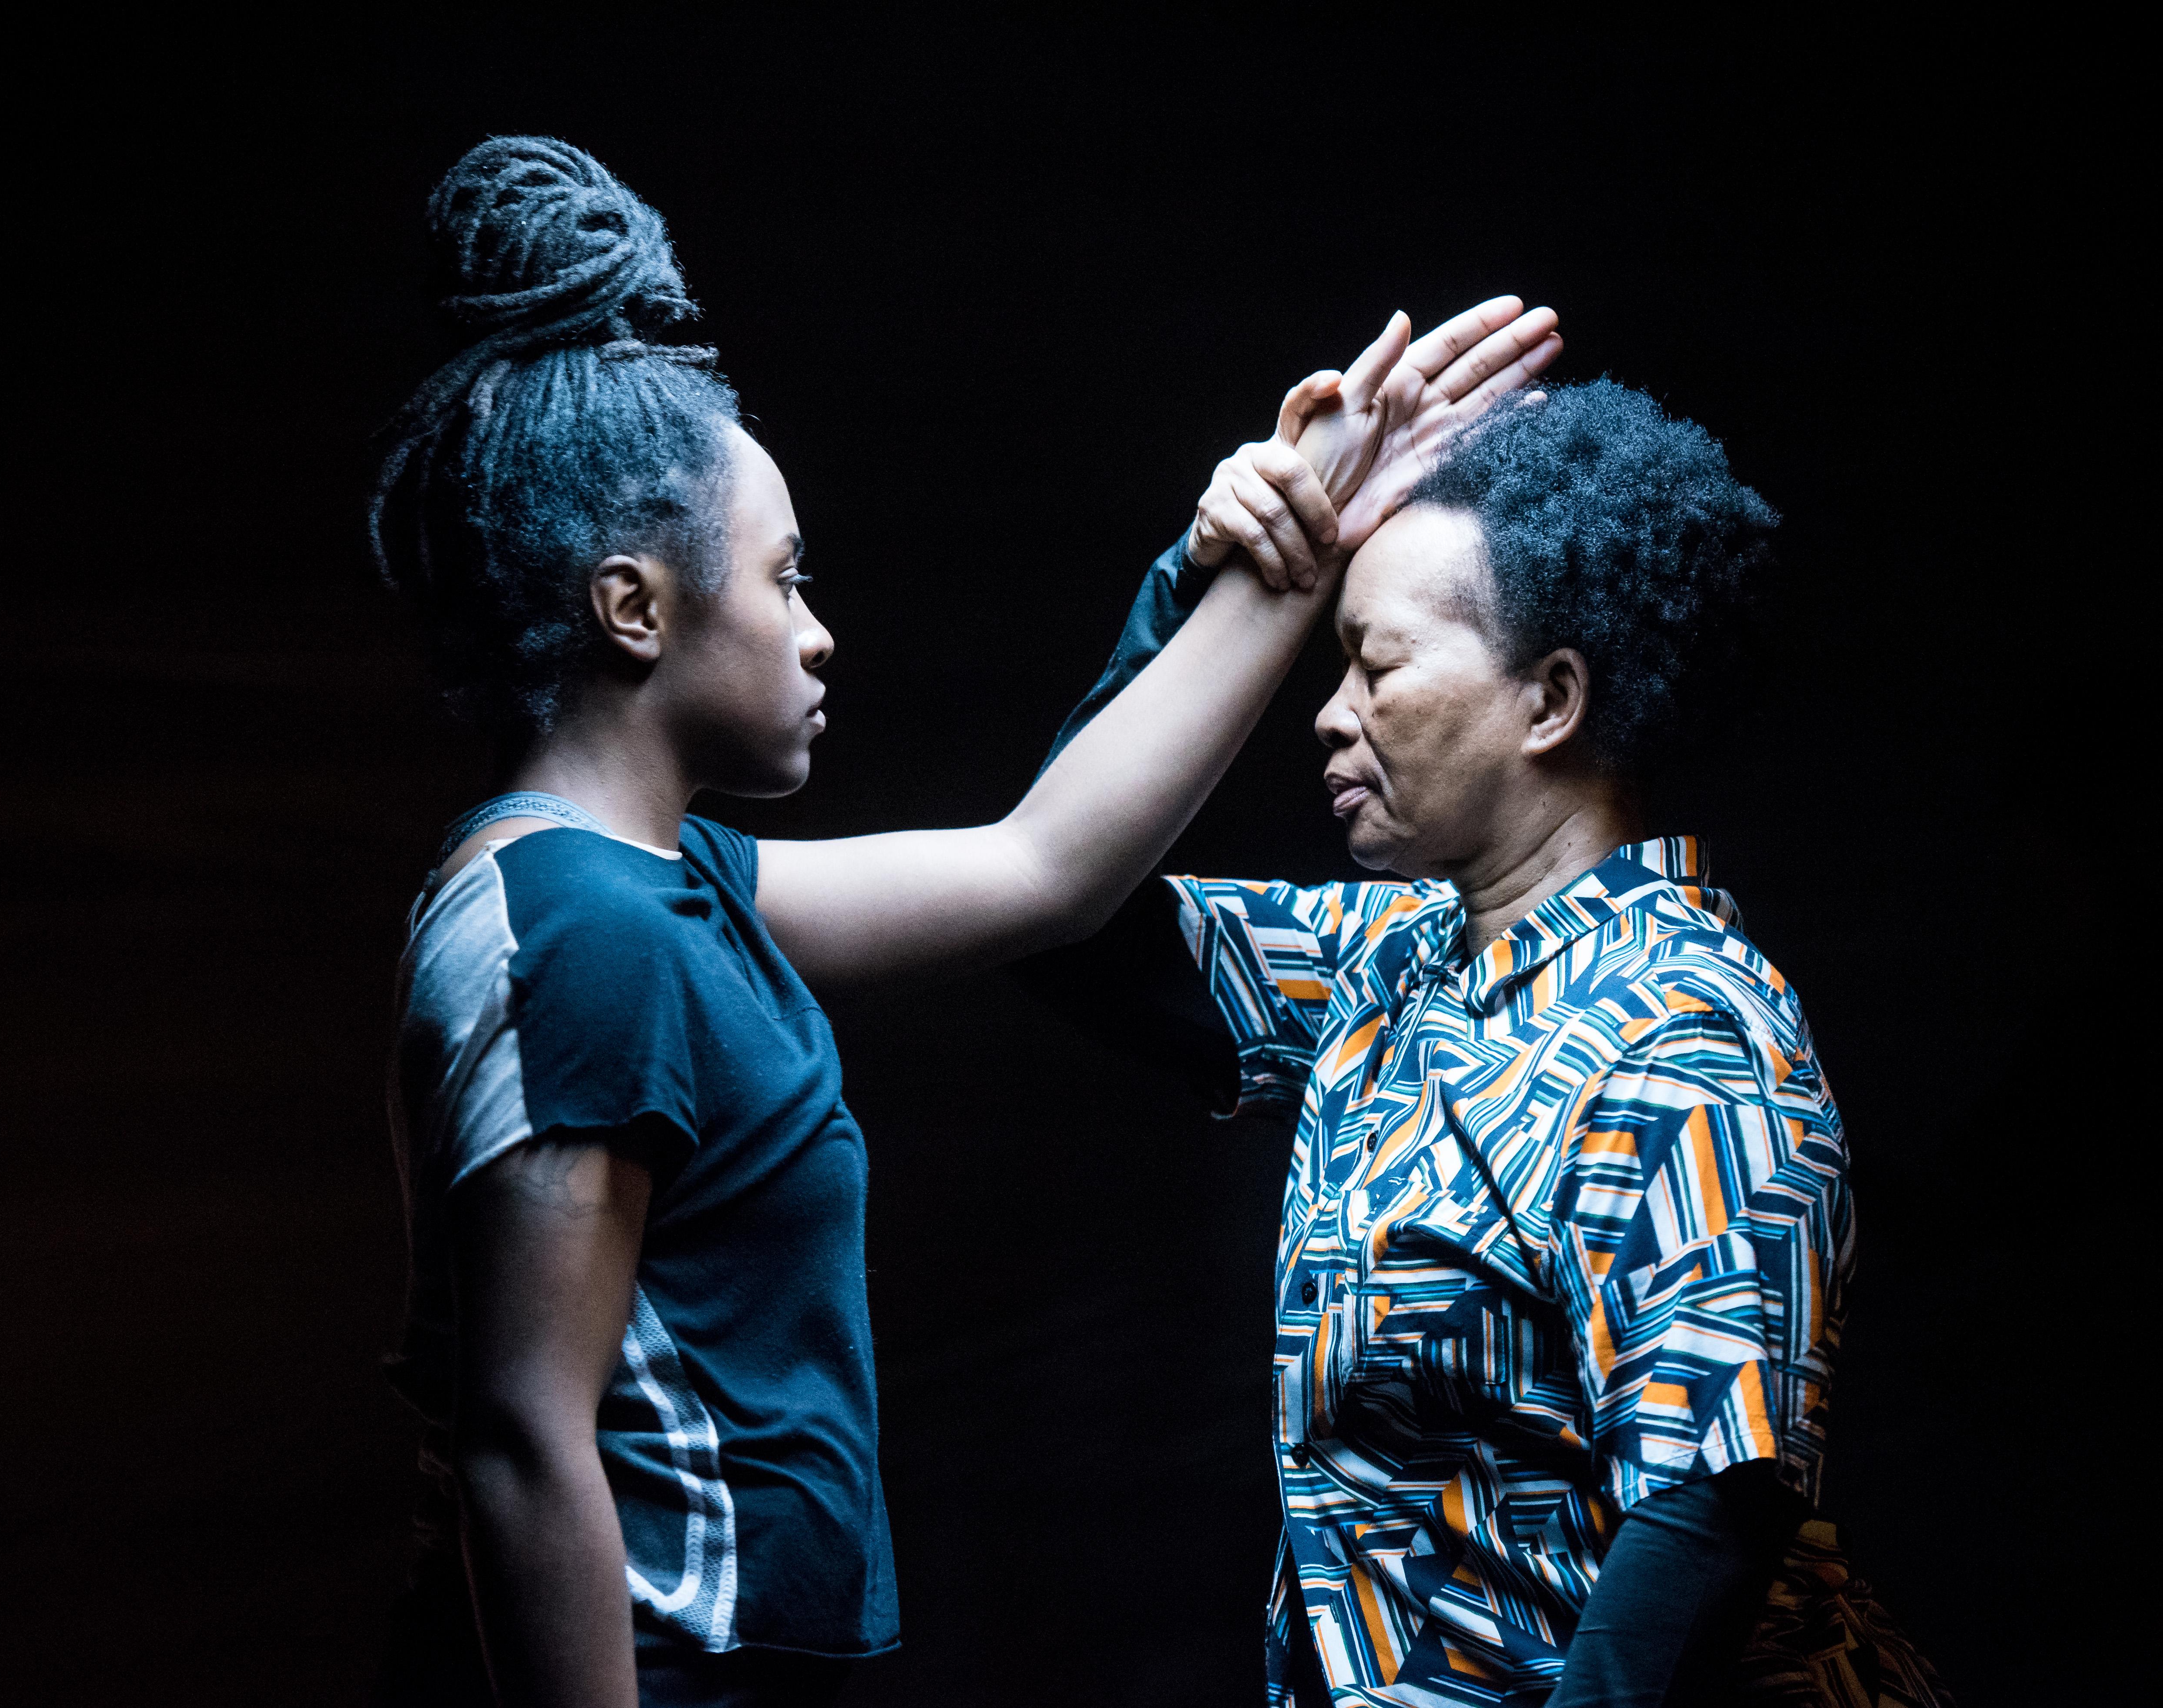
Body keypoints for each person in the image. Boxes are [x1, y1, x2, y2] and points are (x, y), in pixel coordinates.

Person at [369, 134, 1560, 1708]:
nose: (816, 629)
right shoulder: (582, 929)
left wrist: (1287, 544)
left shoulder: (655, 890)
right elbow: (528, 1443)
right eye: (783, 579)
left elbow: (1045, 871)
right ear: (634, 608)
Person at [1022, 382, 1953, 1706]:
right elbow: (1059, 910)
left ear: (1548, 698)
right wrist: (1214, 588)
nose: (1327, 711)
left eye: (1373, 662)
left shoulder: (1685, 1030)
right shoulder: (1395, 962)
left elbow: (1708, 1513)